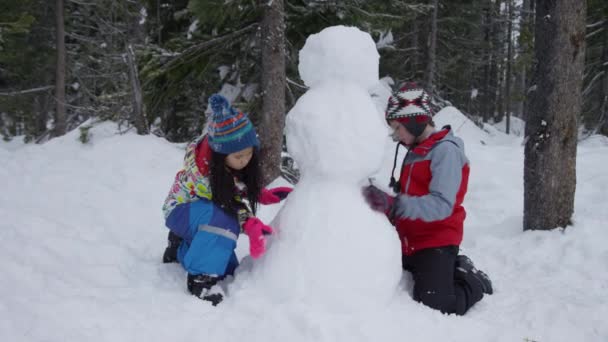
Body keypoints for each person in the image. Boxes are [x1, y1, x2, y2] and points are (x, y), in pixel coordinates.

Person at [362, 82, 493, 315]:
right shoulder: (415, 150)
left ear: (414, 121)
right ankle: (445, 269)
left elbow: (442, 205)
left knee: (435, 303)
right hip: (409, 238)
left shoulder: (446, 151)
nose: (395, 135)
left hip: (436, 240)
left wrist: (394, 206)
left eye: (397, 127)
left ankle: (473, 280)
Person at [161, 94, 291, 305]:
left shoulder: (224, 165)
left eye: (248, 153)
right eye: (238, 157)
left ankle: (181, 247)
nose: (245, 159)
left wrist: (259, 194)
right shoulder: (207, 174)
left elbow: (235, 188)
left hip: (199, 209)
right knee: (223, 225)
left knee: (226, 267)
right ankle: (200, 279)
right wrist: (248, 223)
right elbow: (227, 205)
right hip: (180, 210)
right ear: (221, 154)